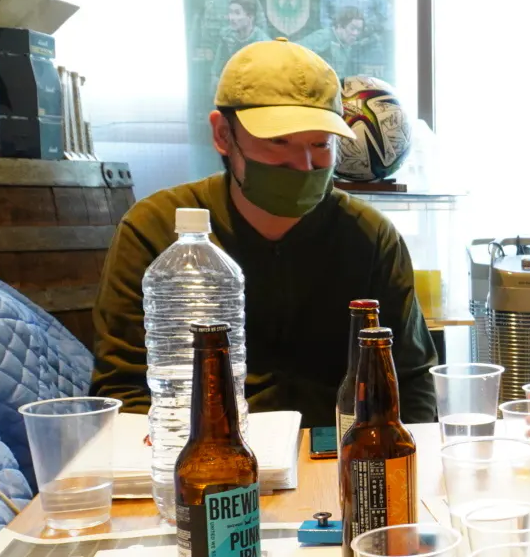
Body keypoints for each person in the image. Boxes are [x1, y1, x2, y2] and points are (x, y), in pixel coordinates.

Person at [91, 38, 438, 427]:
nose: (303, 165)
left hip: (341, 451)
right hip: (205, 452)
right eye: (278, 142)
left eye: (320, 144)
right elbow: (123, 390)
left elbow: (411, 379)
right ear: (223, 135)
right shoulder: (154, 231)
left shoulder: (370, 236)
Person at [211, 0, 269, 87]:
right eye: (230, 12)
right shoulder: (226, 35)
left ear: (250, 17)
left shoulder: (262, 42)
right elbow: (217, 70)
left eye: (237, 13)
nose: (231, 18)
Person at [299, 6, 364, 79]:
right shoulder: (323, 37)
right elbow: (295, 52)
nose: (355, 33)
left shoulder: (348, 46)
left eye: (359, 30)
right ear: (340, 25)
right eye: (352, 28)